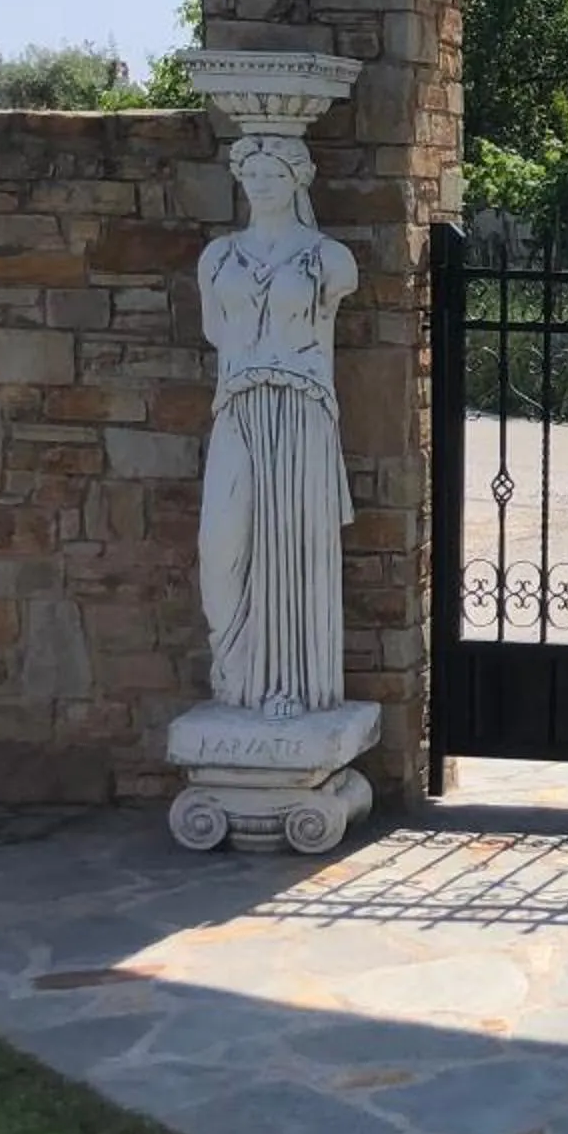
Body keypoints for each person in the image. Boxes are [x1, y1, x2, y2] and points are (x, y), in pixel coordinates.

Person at [197, 134, 357, 717]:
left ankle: (286, 681)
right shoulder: (216, 258)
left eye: (271, 174)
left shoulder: (331, 260)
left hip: (301, 408)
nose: (259, 185)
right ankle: (236, 673)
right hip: (238, 407)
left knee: (292, 545)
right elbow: (218, 331)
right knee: (221, 544)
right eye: (251, 175)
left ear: (297, 179)